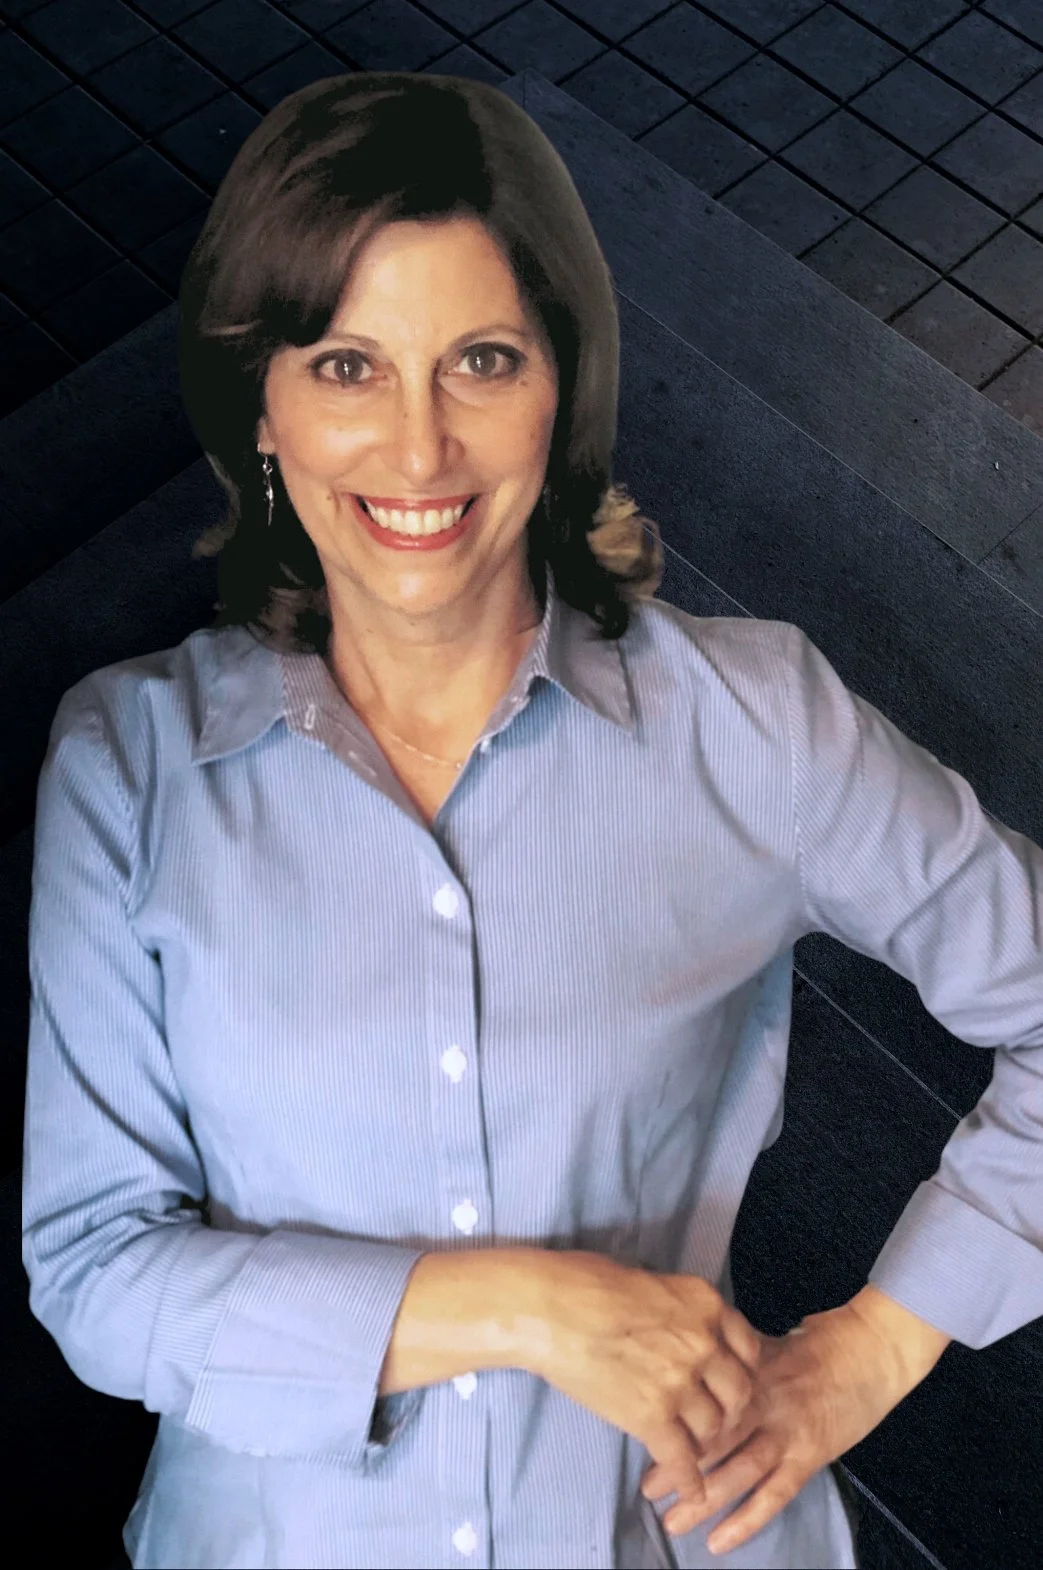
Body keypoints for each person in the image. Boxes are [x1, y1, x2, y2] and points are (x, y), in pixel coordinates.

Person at [21, 72, 1043, 1570]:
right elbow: (98, 1270)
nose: (418, 448)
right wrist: (529, 1303)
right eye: (348, 366)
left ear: (562, 382)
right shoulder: (128, 763)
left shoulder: (752, 727)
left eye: (480, 360)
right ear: (261, 406)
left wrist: (876, 1345)